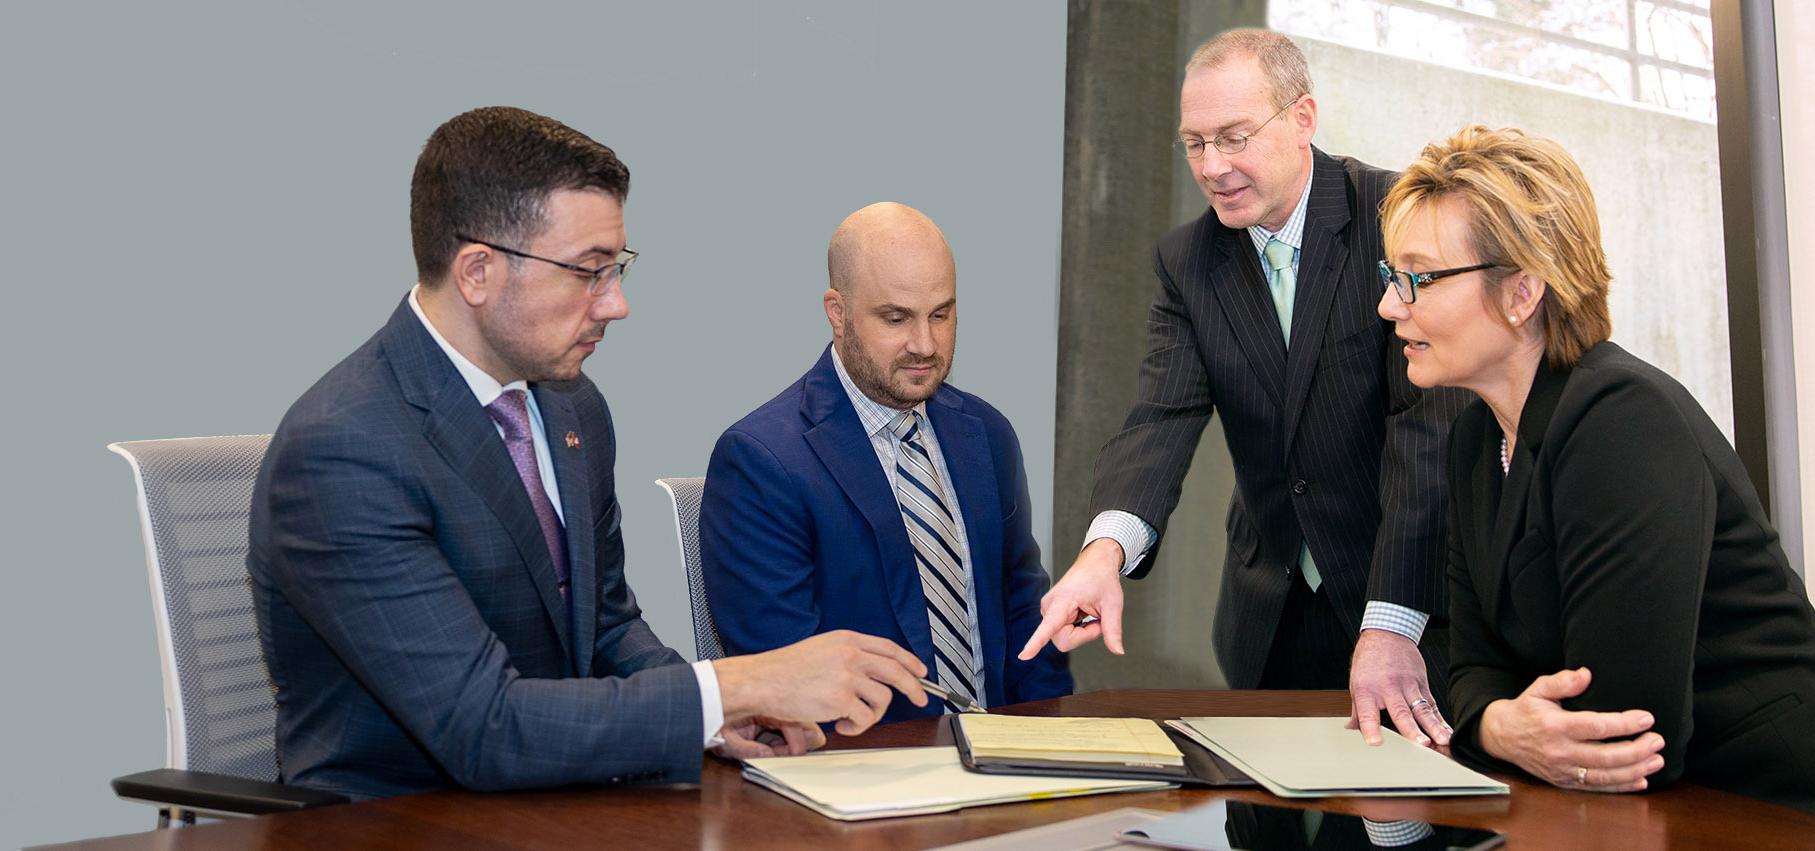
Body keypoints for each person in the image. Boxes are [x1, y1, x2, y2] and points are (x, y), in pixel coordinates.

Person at [248, 106, 931, 801]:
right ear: (478, 272)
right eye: (588, 272)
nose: (615, 304)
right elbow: (482, 728)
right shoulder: (344, 448)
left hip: (559, 797)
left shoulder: (571, 405)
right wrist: (734, 685)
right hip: (399, 820)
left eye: (618, 268)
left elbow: (605, 625)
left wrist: (717, 721)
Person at [1022, 29, 1469, 751]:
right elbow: (1160, 419)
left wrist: (1391, 622)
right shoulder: (1188, 262)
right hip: (1269, 621)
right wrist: (1102, 554)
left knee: (1405, 805)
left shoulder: (1398, 219)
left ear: (1303, 118)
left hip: (1409, 607)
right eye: (1194, 144)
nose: (1213, 166)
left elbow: (1430, 433)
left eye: (1234, 138)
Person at [1374, 124, 1815, 812]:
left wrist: (1493, 724)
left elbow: (1620, 729)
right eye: (1391, 277)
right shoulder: (1473, 442)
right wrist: (1497, 726)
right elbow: (1472, 670)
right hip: (1631, 811)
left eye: (1418, 279)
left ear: (1523, 292)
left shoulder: (1623, 420)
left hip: (1761, 805)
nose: (1390, 305)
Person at [701, 202, 1072, 722]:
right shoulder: (760, 460)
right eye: (896, 318)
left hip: (1004, 751)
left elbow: (1025, 610)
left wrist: (1052, 736)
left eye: (941, 315)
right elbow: (784, 678)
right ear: (837, 312)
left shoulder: (988, 434)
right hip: (862, 757)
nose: (925, 345)